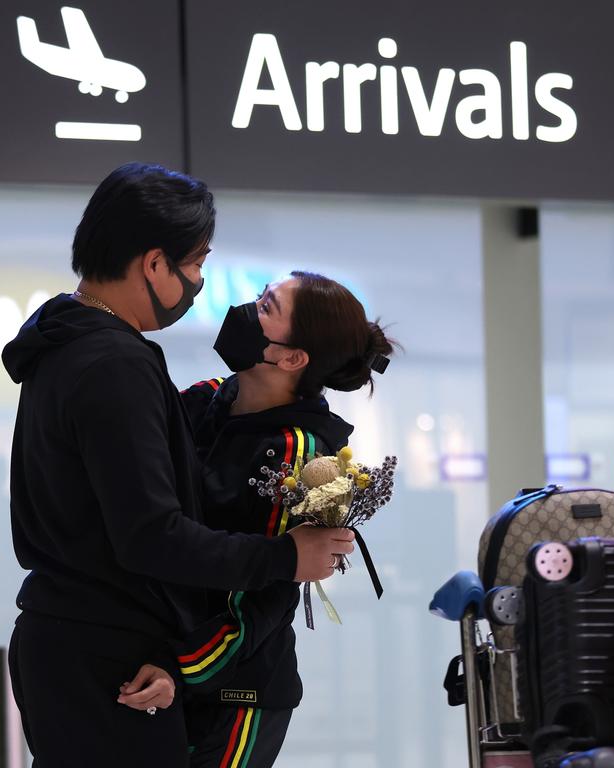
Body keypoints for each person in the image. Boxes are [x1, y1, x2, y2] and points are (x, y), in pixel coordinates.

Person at [1, 164, 355, 767]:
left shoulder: (65, 346)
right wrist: (286, 557)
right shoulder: (122, 367)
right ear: (155, 264)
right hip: (113, 654)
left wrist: (178, 663)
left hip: (156, 663)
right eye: (195, 265)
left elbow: (255, 599)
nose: (204, 285)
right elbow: (152, 535)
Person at [167, 273, 395, 767]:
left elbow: (261, 597)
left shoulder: (299, 451)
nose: (248, 309)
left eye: (266, 306)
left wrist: (178, 667)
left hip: (237, 690)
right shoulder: (207, 398)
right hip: (175, 671)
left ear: (292, 358)